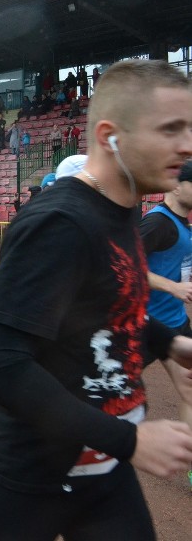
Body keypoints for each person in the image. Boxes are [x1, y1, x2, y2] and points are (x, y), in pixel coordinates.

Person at [0, 59, 192, 541]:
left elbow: (111, 310)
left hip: (106, 474)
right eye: (171, 129)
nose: (188, 144)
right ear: (112, 135)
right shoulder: (60, 224)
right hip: (30, 479)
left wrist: (173, 344)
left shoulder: (124, 210)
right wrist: (131, 440)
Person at [140, 160, 192, 487]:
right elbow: (127, 265)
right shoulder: (157, 223)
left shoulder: (183, 225)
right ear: (176, 186)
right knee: (102, 390)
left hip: (176, 324)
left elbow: (178, 266)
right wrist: (172, 287)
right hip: (143, 327)